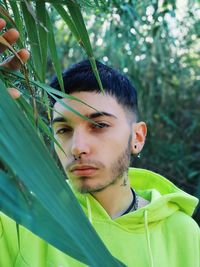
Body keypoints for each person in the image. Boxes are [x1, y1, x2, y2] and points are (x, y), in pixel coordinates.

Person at [0, 18, 199, 267]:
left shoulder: (183, 233)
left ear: (136, 137)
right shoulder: (21, 219)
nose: (77, 147)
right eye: (63, 130)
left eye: (99, 125)